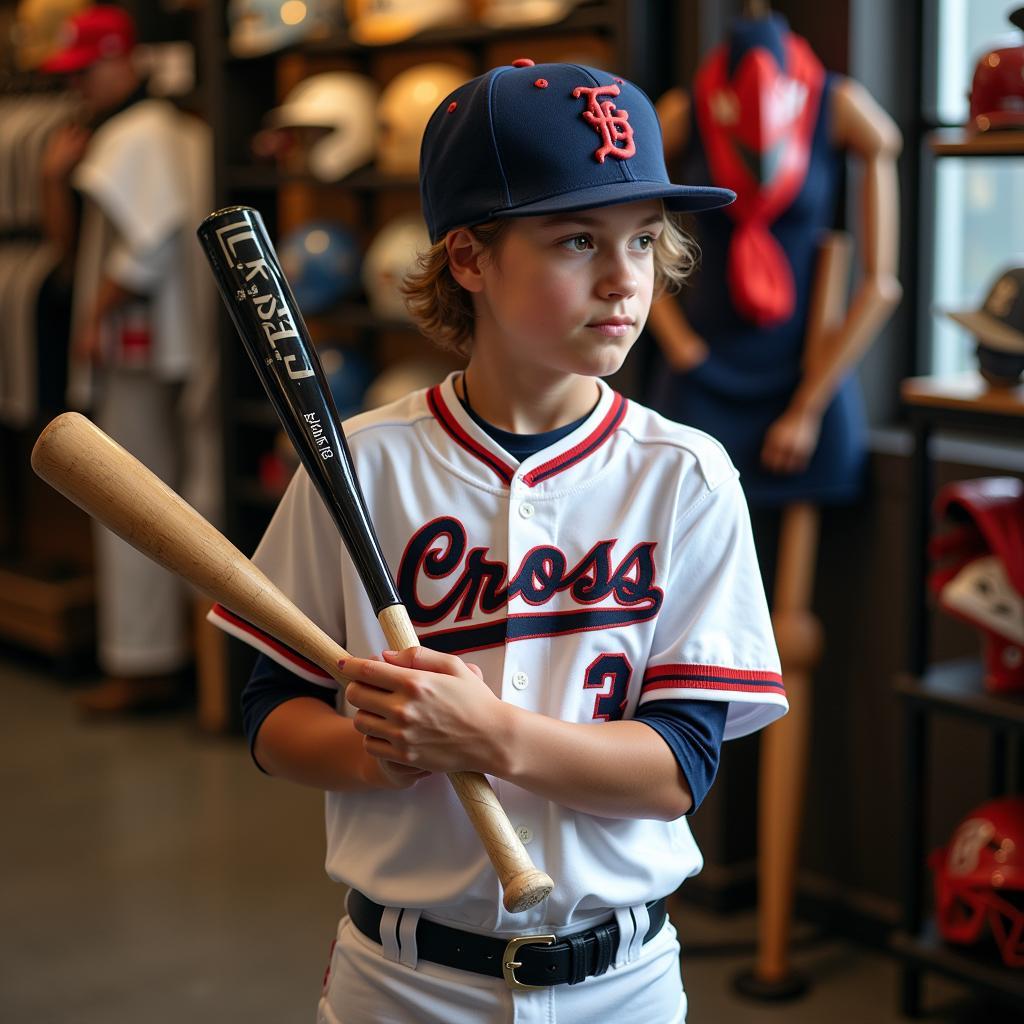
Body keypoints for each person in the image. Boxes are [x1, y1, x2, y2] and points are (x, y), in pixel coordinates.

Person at [208, 59, 788, 1023]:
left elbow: (681, 765)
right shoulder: (361, 464)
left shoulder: (685, 472)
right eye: (575, 239)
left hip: (627, 981)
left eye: (642, 240)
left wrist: (495, 738)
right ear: (469, 259)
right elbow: (270, 714)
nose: (623, 279)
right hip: (405, 982)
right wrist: (372, 754)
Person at [40, 6, 218, 714]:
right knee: (182, 490)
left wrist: (95, 315)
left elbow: (141, 244)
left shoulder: (134, 135)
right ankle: (190, 661)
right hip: (182, 339)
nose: (80, 86)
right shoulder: (177, 130)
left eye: (88, 70)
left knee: (127, 493)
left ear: (123, 60)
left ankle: (147, 664)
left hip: (138, 342)